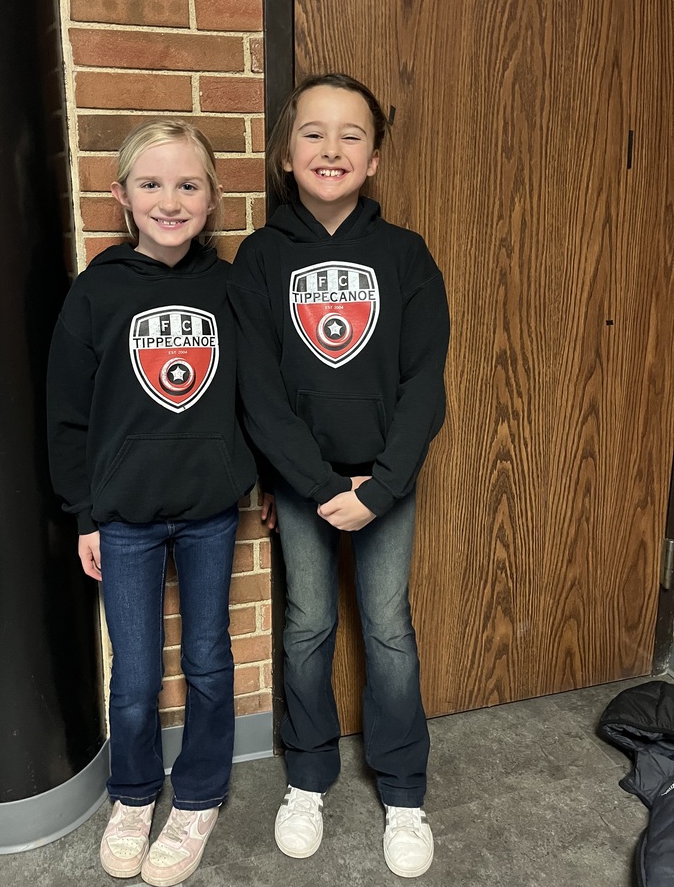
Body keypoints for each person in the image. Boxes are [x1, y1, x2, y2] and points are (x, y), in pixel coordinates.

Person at [228, 73, 449, 879]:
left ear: (376, 157)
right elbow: (257, 388)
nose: (331, 148)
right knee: (306, 626)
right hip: (302, 483)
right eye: (313, 133)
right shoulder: (258, 258)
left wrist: (380, 488)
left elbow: (426, 383)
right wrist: (315, 486)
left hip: (385, 484)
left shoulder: (406, 255)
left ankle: (404, 792)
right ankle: (310, 779)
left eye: (350, 134)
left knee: (390, 633)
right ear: (287, 155)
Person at [47, 119, 256, 886]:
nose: (171, 200)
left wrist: (256, 478)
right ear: (122, 198)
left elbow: (254, 395)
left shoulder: (231, 288)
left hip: (208, 512)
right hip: (125, 518)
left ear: (213, 197)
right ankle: (133, 795)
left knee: (207, 659)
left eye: (188, 184)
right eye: (152, 184)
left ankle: (199, 794)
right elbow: (66, 413)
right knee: (133, 674)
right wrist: (84, 512)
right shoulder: (97, 290)